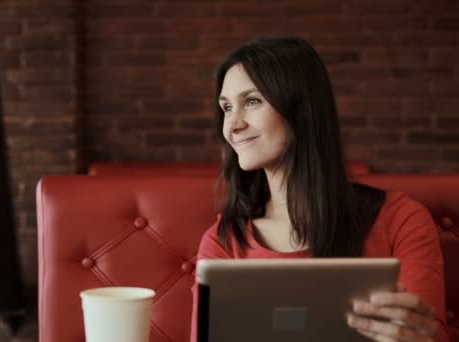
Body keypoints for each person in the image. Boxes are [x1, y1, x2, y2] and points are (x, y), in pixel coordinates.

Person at [190, 37, 450, 342]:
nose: (232, 125)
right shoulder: (223, 241)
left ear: (301, 108)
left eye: (252, 101)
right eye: (226, 108)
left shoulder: (401, 220)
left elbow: (430, 334)